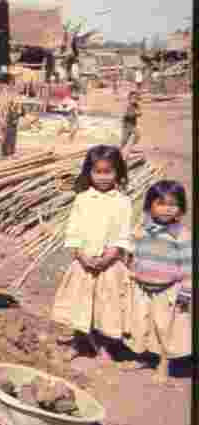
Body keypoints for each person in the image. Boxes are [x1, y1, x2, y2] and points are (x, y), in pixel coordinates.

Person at [51, 145, 132, 363]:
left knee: (105, 306)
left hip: (109, 264)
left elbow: (123, 233)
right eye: (98, 172)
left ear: (118, 173)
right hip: (84, 263)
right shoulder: (82, 199)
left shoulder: (123, 202)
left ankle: (104, 346)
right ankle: (79, 343)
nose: (103, 177)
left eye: (108, 172)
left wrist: (110, 255)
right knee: (81, 303)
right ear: (89, 172)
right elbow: (74, 231)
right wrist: (81, 254)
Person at [125, 180, 192, 383]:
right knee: (141, 324)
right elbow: (131, 251)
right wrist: (130, 269)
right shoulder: (142, 228)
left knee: (165, 328)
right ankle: (142, 357)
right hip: (141, 287)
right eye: (160, 203)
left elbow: (188, 265)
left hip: (168, 290)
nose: (166, 209)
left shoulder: (181, 234)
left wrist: (186, 291)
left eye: (172, 204)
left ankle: (164, 364)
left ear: (181, 208)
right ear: (149, 206)